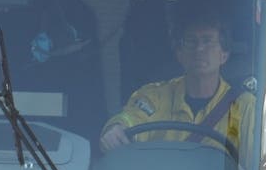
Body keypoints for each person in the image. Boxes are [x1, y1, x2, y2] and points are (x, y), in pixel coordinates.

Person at [99, 14, 255, 159]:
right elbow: (130, 118)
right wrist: (116, 128)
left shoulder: (245, 106)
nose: (199, 49)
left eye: (208, 41)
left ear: (224, 55)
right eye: (191, 41)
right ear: (179, 54)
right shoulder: (154, 96)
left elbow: (256, 169)